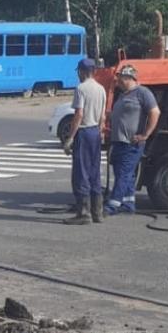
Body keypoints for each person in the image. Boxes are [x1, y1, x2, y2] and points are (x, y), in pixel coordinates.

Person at [105, 64, 160, 215]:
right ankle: (129, 204)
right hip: (118, 142)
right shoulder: (123, 95)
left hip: (132, 143)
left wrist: (145, 134)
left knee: (123, 174)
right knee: (125, 174)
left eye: (120, 78)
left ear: (129, 78)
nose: (118, 82)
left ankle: (112, 205)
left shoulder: (143, 93)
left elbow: (155, 112)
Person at [63, 58, 107, 225]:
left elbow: (79, 114)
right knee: (94, 172)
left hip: (83, 132)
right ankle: (98, 212)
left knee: (81, 172)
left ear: (82, 71)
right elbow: (103, 115)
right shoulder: (101, 89)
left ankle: (84, 213)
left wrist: (70, 138)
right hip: (95, 132)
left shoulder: (81, 89)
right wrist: (101, 132)